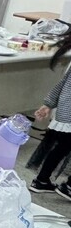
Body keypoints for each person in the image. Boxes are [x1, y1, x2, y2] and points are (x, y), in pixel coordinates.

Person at [29, 32, 71, 201]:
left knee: (61, 147)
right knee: (62, 147)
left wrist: (48, 103)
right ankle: (68, 186)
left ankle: (41, 180)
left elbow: (63, 83)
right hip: (68, 114)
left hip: (65, 113)